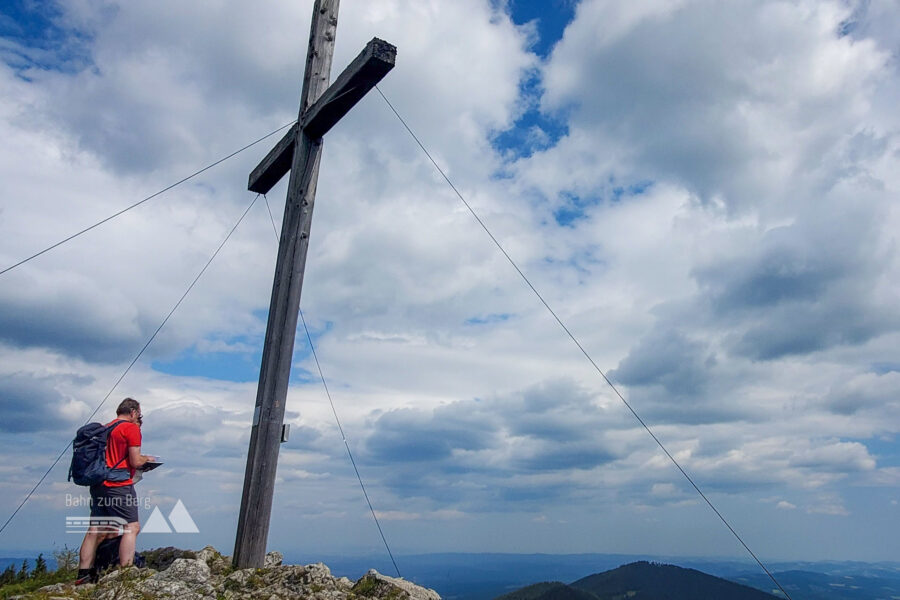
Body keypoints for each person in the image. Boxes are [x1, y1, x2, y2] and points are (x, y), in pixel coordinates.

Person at [76, 398, 153, 583]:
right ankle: (125, 575)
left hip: (98, 484)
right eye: (138, 415)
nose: (138, 418)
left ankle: (83, 575)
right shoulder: (130, 428)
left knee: (95, 529)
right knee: (131, 527)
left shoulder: (106, 427)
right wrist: (147, 459)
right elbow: (135, 461)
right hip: (118, 485)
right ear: (133, 412)